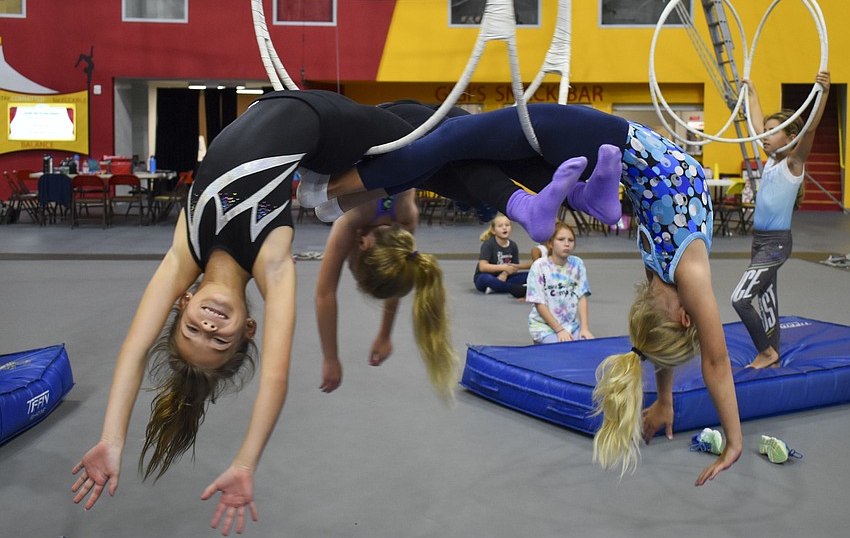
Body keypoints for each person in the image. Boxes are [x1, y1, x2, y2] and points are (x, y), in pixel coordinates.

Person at [70, 90, 458, 535]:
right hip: (327, 126)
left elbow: (135, 348)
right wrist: (245, 464)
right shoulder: (271, 262)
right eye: (219, 339)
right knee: (447, 142)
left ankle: (340, 185)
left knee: (434, 131)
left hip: (279, 103)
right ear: (248, 328)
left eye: (194, 328)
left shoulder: (184, 252)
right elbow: (275, 376)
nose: (210, 325)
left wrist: (111, 439)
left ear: (183, 303)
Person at [297, 102, 743, 485]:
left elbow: (657, 349)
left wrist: (664, 401)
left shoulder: (661, 274)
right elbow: (716, 361)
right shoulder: (690, 271)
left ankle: (329, 191)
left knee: (454, 140)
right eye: (652, 309)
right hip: (610, 141)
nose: (643, 298)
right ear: (685, 316)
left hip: (608, 149)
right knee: (451, 134)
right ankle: (332, 193)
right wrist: (733, 441)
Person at [732, 71, 831, 369]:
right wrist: (752, 92)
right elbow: (758, 119)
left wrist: (822, 94)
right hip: (759, 241)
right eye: (765, 130)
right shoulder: (770, 162)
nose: (765, 135)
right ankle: (773, 353)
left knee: (741, 298)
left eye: (773, 131)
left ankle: (765, 351)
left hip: (775, 243)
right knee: (765, 298)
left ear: (790, 137)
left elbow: (810, 131)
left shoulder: (793, 163)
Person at [315, 190, 456, 397]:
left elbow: (396, 273)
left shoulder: (406, 221)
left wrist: (384, 335)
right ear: (362, 244)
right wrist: (330, 358)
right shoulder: (353, 216)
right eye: (350, 265)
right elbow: (324, 294)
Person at [526, 222, 593, 344]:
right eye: (561, 239)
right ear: (550, 243)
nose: (566, 244)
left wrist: (584, 328)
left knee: (586, 346)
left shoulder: (577, 264)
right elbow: (539, 302)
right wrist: (559, 330)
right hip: (544, 327)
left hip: (570, 326)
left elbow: (582, 296)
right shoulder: (539, 266)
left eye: (571, 240)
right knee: (561, 350)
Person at [474, 214, 531, 298]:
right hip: (487, 276)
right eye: (500, 226)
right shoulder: (488, 245)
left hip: (506, 277)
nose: (504, 228)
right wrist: (503, 268)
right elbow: (482, 267)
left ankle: (497, 287)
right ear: (493, 231)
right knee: (486, 278)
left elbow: (514, 267)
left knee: (529, 275)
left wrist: (505, 273)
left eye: (507, 225)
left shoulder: (513, 245)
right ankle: (512, 288)